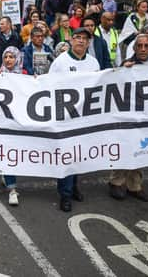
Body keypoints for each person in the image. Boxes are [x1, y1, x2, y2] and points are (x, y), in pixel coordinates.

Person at [48, 28, 100, 212]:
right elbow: (50, 84)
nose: (80, 41)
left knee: (79, 153)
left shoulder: (93, 63)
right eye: (77, 37)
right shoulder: (61, 61)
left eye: (84, 38)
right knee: (67, 154)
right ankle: (65, 194)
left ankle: (74, 185)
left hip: (84, 117)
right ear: (71, 40)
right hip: (66, 116)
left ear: (88, 42)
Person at [111, 33, 148, 202]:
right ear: (134, 48)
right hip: (129, 115)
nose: (142, 49)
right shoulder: (127, 65)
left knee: (143, 149)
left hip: (147, 116)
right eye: (139, 46)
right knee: (126, 147)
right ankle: (117, 182)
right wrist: (121, 69)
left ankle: (135, 184)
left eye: (146, 46)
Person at [0, 46, 26, 206]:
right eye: (5, 57)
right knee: (8, 154)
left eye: (11, 57)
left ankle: (6, 177)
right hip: (2, 121)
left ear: (17, 59)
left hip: (19, 122)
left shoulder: (25, 76)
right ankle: (12, 189)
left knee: (16, 154)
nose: (8, 60)